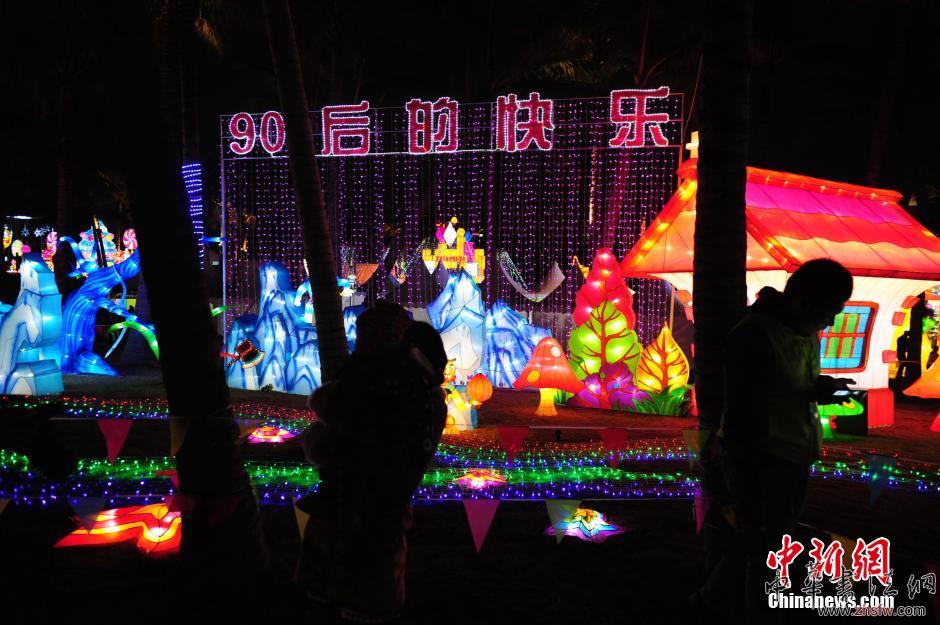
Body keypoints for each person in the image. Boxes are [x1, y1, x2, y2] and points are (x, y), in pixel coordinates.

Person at [693, 259, 855, 623]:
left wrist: (818, 388)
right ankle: (745, 608)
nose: (829, 322)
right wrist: (746, 473)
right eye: (828, 312)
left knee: (762, 540)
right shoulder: (754, 336)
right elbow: (743, 407)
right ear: (803, 301)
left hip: (793, 453)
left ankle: (712, 601)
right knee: (767, 547)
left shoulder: (803, 331)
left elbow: (787, 385)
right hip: (763, 457)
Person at [296, 301, 448, 623]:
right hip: (358, 495)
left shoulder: (399, 384)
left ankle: (359, 604)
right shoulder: (390, 380)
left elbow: (333, 429)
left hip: (373, 495)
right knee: (349, 565)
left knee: (367, 572)